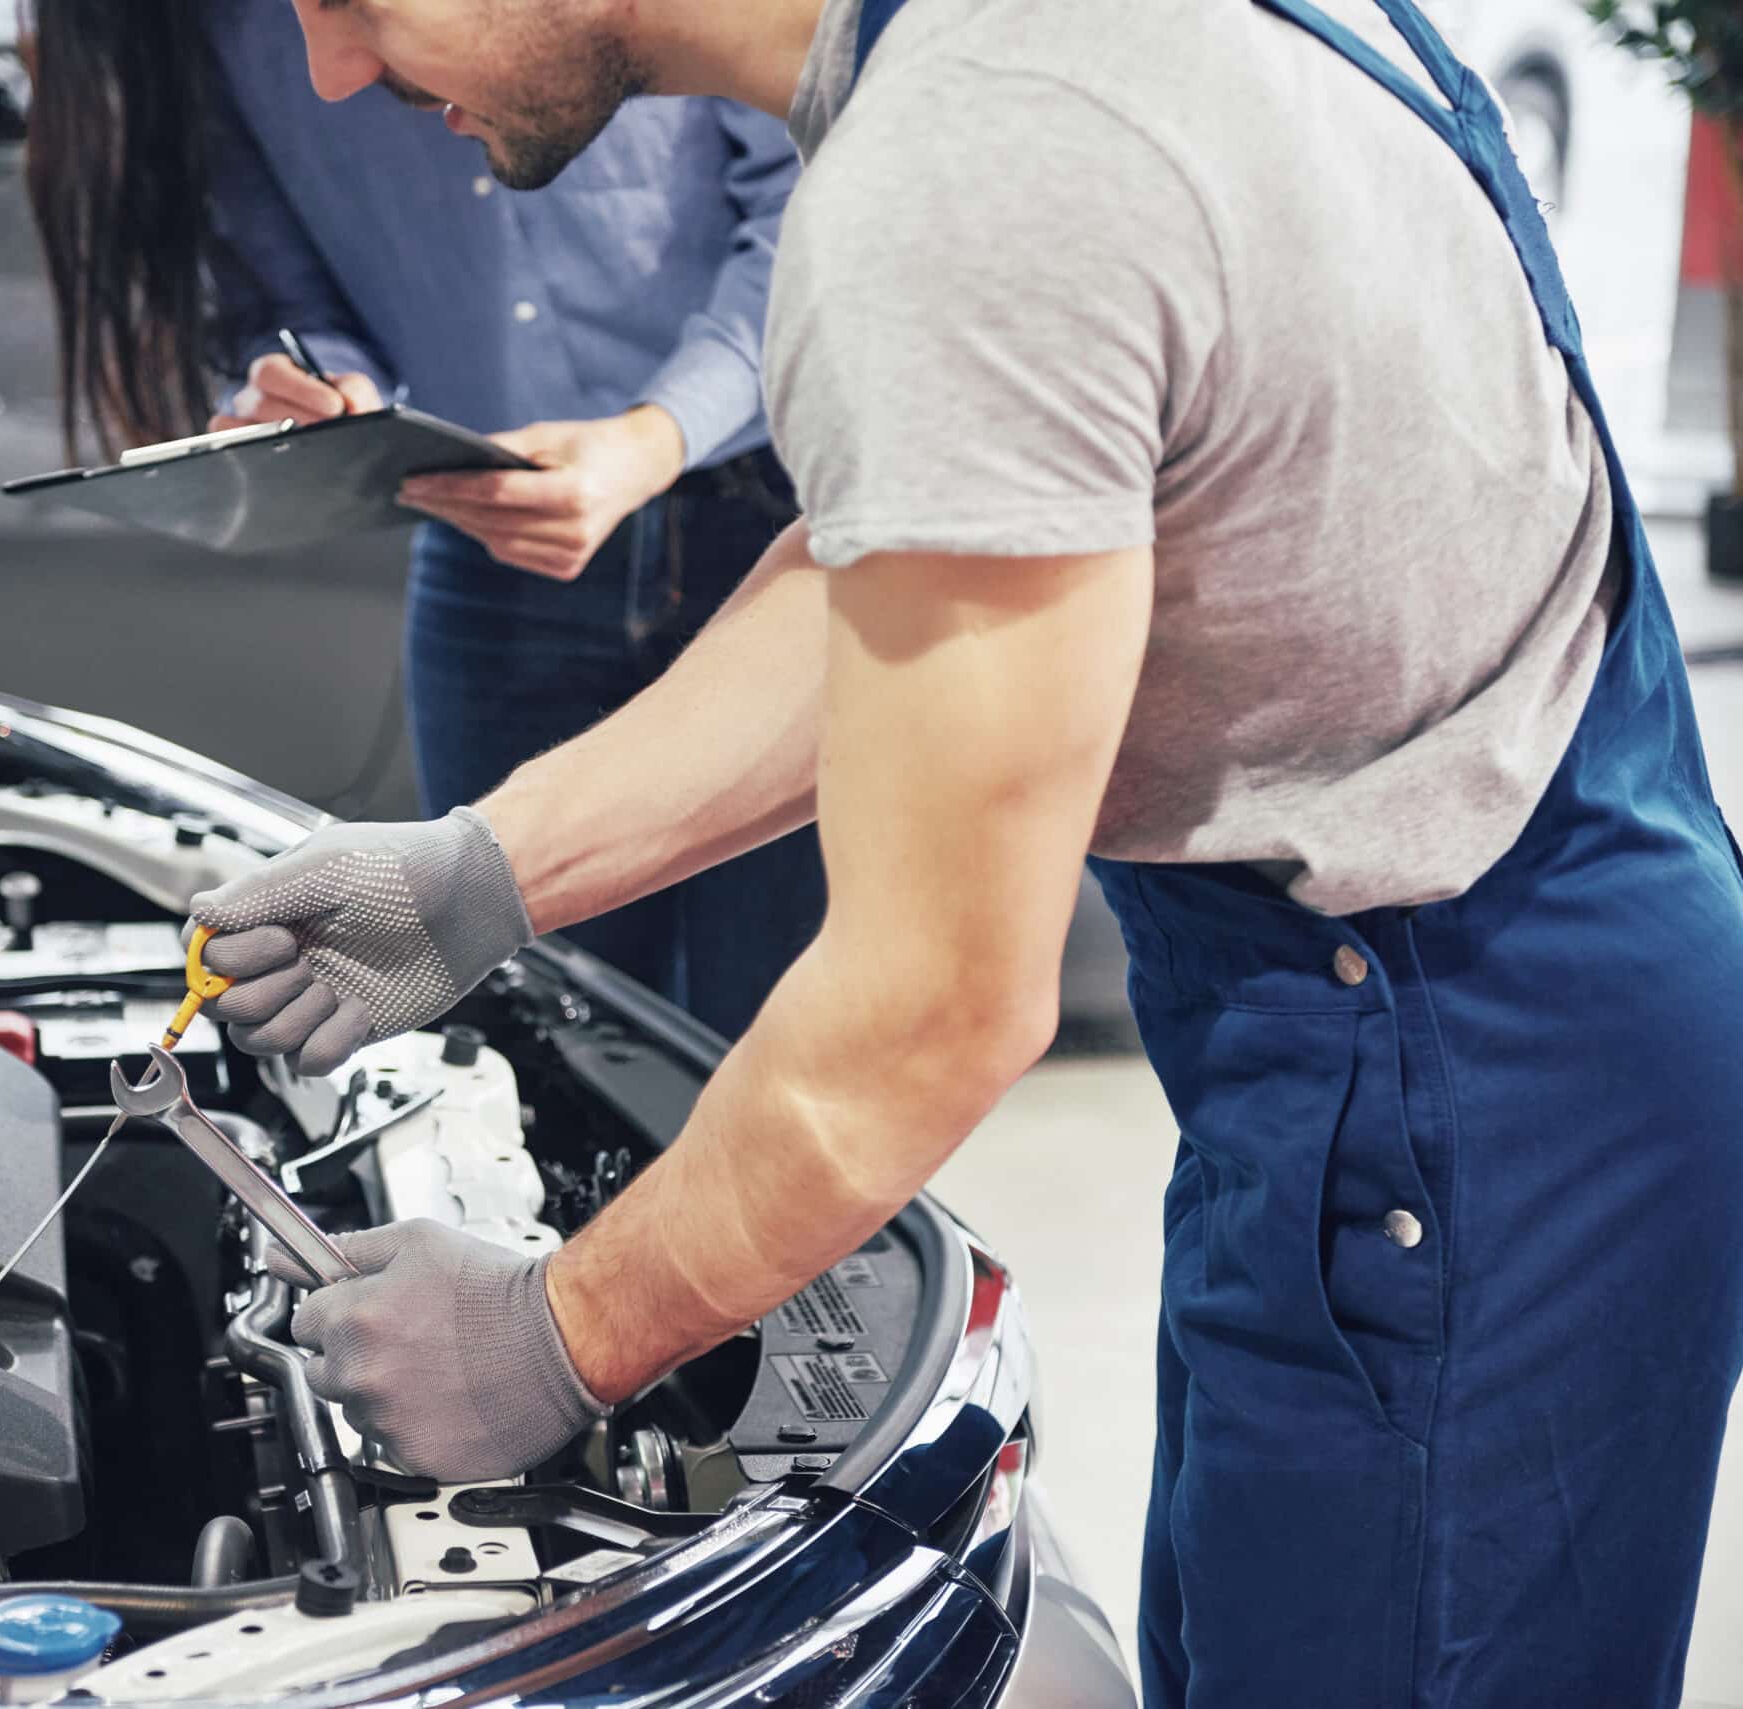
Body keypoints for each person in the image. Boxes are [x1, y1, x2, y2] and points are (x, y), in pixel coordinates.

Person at [179, 0, 1743, 1702]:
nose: (329, 72)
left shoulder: (968, 161)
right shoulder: (998, 54)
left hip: (1457, 1068)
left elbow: (932, 1000)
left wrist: (555, 1330)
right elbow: (916, 560)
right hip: (1466, 1000)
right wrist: (480, 872)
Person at [21, 0, 822, 1041]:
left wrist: (656, 434)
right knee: (541, 1037)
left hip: (773, 510)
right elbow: (275, 287)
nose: (331, 75)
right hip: (492, 554)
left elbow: (817, 201)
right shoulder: (210, 37)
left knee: (781, 1017)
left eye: (351, 16)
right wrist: (322, 384)